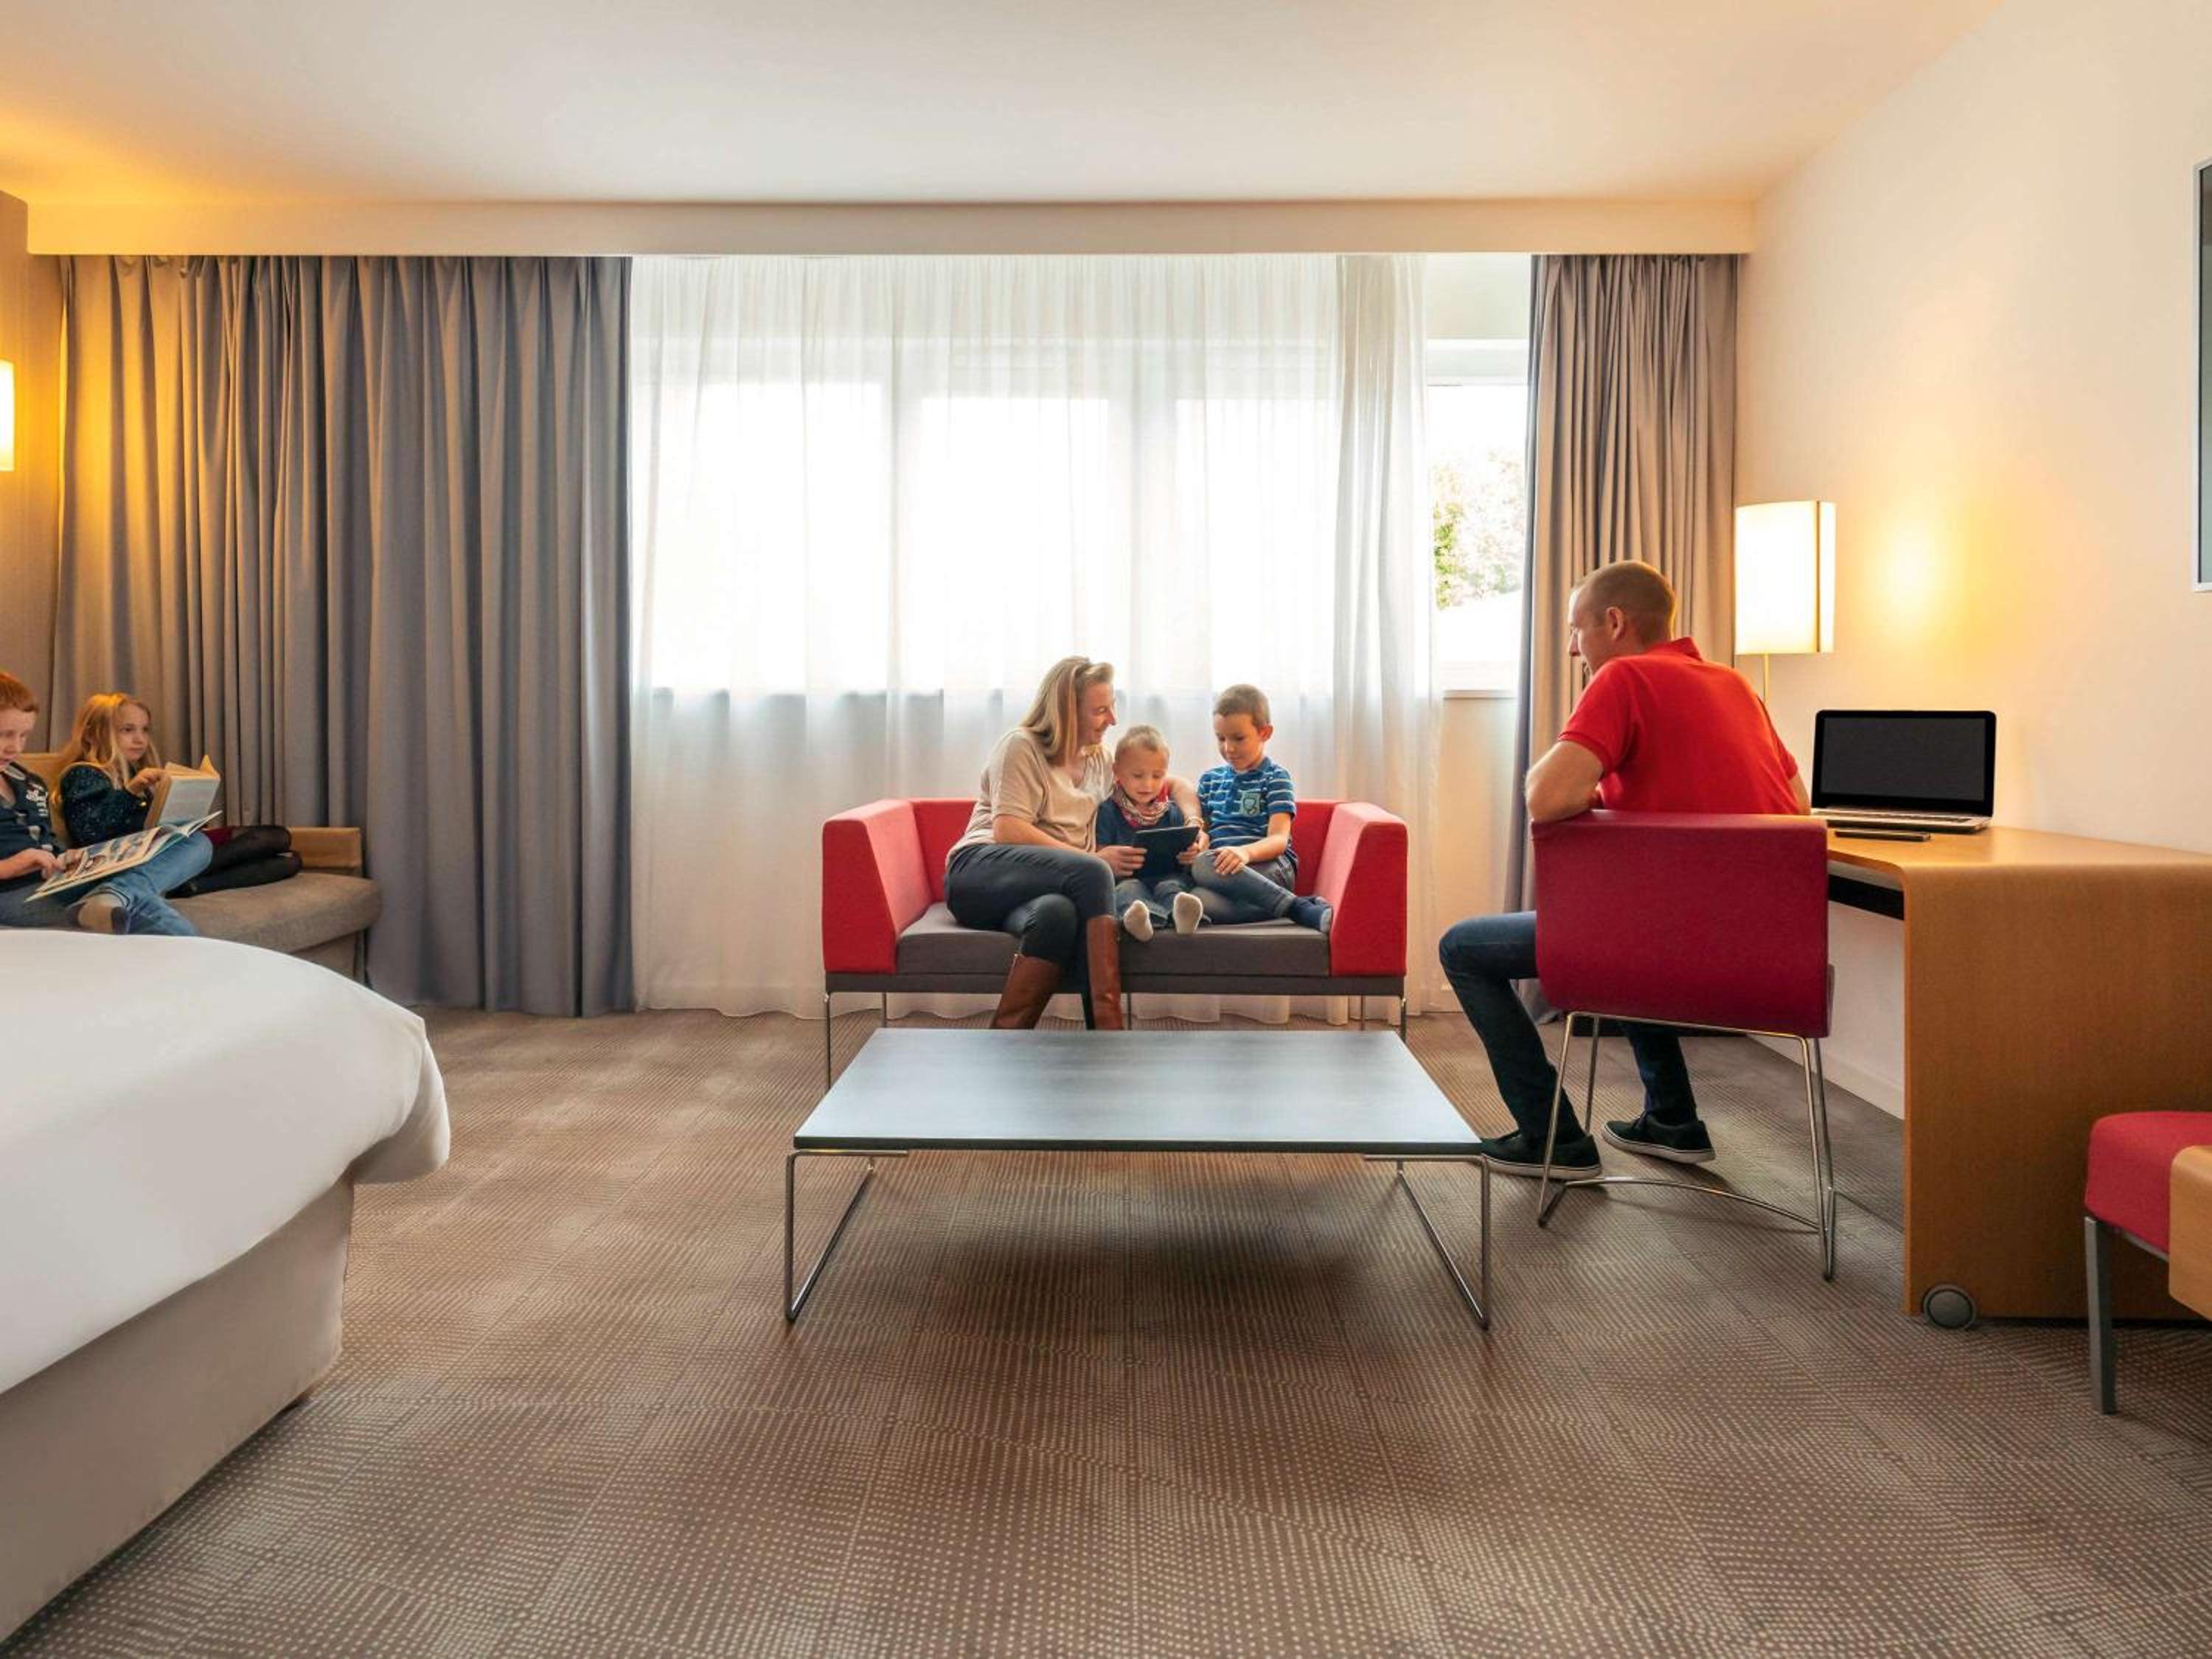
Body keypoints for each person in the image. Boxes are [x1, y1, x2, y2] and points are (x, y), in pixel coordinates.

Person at [1439, 560, 1808, 1176]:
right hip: (1767, 961)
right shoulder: (1737, 685)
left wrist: (1591, 794)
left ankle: (1552, 1139)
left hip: (1668, 949)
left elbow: (1545, 797)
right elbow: (1797, 806)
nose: (1572, 648)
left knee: (1463, 949)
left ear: (1614, 622)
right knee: (1631, 917)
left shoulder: (1625, 677)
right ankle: (1672, 1119)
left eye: (1576, 629)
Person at [944, 657, 1200, 1030]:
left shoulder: (1099, 760)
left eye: (1112, 707)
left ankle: (1004, 1042)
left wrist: (1194, 823)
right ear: (1065, 710)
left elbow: (1174, 785)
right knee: (1094, 871)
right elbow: (1009, 829)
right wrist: (1091, 859)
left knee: (1057, 915)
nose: (1112, 719)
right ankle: (1108, 1035)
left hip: (1045, 889)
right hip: (980, 873)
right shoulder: (1021, 746)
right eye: (1100, 710)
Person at [0, 671, 212, 936]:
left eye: (23, 735)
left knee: (195, 843)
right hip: (12, 895)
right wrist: (11, 866)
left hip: (57, 882)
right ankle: (117, 895)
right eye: (5, 735)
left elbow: (47, 841)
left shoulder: (29, 782)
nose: (15, 748)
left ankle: (113, 894)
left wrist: (66, 857)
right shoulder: (83, 774)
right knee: (137, 902)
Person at [57, 692, 300, 896]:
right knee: (262, 844)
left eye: (145, 730)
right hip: (137, 861)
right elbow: (90, 833)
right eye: (127, 730)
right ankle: (185, 879)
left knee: (286, 851)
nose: (140, 739)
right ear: (92, 734)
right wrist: (132, 790)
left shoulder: (134, 772)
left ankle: (191, 884)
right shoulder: (83, 774)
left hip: (167, 847)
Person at [1185, 684, 1333, 933]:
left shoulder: (1275, 777)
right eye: (1221, 738)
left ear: (1265, 733)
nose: (1228, 748)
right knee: (1196, 899)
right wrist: (1197, 842)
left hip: (1270, 867)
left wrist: (1245, 853)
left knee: (1203, 866)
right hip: (1225, 873)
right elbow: (1204, 833)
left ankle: (1296, 907)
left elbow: (1278, 840)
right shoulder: (1210, 780)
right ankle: (1290, 905)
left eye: (1238, 738)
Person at [1095, 725, 1206, 941]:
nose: (1148, 784)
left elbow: (1186, 854)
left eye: (1157, 776)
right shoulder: (1108, 810)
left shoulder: (1171, 811)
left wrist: (1190, 855)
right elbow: (1102, 852)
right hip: (1127, 880)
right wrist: (1110, 857)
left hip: (1169, 877)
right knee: (1128, 891)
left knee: (1173, 888)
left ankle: (1181, 918)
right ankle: (1141, 921)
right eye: (1138, 776)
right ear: (1117, 771)